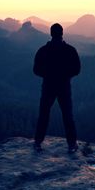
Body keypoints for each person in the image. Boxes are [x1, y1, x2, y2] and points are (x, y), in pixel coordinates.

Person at [33, 23, 81, 153]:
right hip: (64, 87)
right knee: (67, 115)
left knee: (44, 114)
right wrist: (65, 75)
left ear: (50, 33)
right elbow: (77, 69)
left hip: (48, 86)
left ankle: (38, 142)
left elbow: (36, 70)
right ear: (62, 33)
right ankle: (72, 144)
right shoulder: (70, 50)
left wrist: (48, 74)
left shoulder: (43, 50)